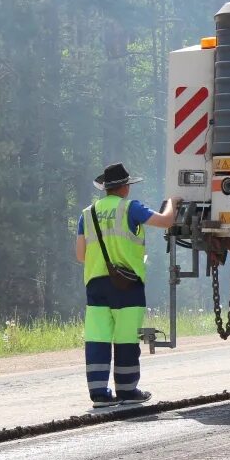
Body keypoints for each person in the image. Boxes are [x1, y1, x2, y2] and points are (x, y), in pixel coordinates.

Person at [76, 162, 180, 408]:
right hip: (127, 285)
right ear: (125, 187)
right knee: (125, 338)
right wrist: (173, 202)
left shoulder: (87, 213)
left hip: (95, 284)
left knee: (97, 338)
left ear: (105, 188)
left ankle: (99, 394)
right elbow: (165, 222)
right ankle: (127, 390)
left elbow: (80, 255)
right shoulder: (130, 208)